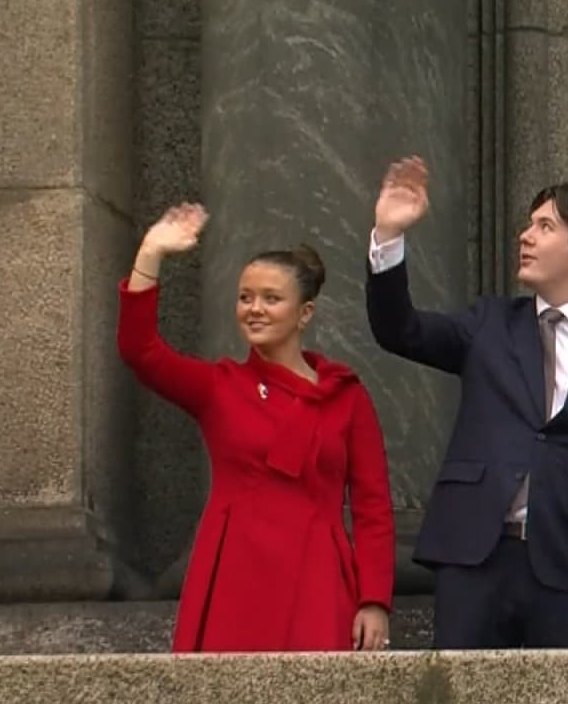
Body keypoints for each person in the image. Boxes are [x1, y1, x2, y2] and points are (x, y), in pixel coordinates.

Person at [364, 157, 568, 649]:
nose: (525, 236)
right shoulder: (488, 323)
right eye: (529, 224)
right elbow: (401, 330)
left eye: (545, 227)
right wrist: (388, 236)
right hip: (474, 557)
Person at [118, 203, 394, 652]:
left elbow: (372, 508)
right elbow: (140, 351)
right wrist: (151, 253)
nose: (254, 309)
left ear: (304, 314)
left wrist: (375, 600)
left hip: (318, 576)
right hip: (235, 574)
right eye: (245, 297)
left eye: (271, 298)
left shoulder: (346, 396)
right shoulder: (219, 386)